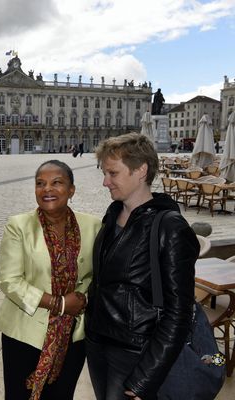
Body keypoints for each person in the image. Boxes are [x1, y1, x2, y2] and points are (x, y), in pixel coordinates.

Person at [85, 133, 199, 400]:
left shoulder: (170, 227)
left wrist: (146, 376)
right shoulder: (112, 216)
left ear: (141, 170)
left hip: (134, 354)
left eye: (113, 173)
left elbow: (179, 314)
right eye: (105, 173)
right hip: (99, 343)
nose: (105, 182)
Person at [0, 160, 101, 400]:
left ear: (71, 190)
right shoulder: (19, 226)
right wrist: (61, 304)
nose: (47, 189)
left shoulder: (93, 226)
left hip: (73, 334)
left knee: (61, 395)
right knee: (19, 394)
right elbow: (9, 280)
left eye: (57, 183)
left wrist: (83, 299)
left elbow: (98, 276)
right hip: (24, 332)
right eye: (40, 184)